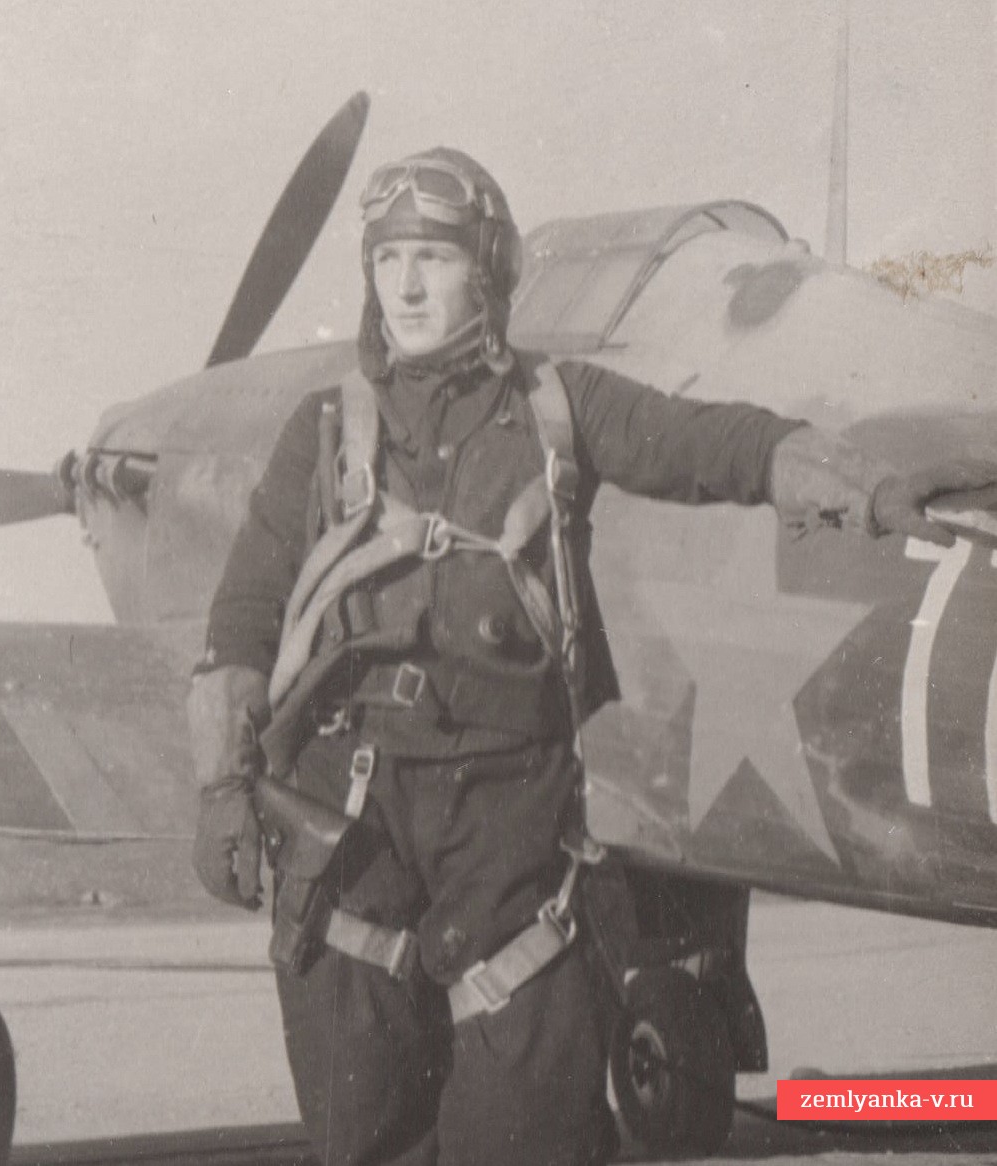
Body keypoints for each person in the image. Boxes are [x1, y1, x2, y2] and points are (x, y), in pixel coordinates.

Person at [187, 147, 995, 1166]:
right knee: (366, 1131)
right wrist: (222, 784)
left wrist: (859, 485)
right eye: (388, 258)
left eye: (433, 256)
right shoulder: (323, 432)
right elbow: (244, 615)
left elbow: (709, 444)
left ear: (487, 270)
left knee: (532, 1132)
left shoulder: (556, 408)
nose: (406, 285)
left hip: (505, 831)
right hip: (355, 834)